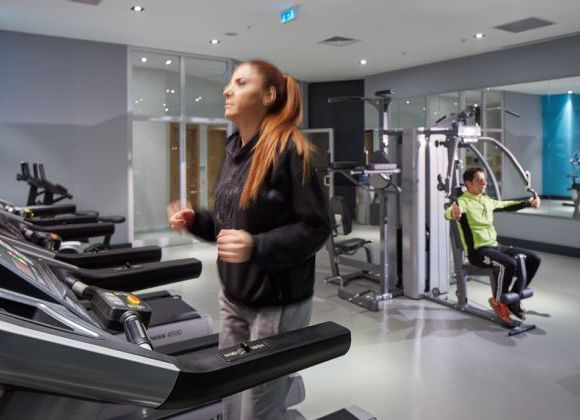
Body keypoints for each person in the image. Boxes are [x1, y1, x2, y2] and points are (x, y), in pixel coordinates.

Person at [168, 60, 330, 420]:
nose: (227, 90)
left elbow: (316, 227)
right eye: (230, 83)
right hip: (234, 297)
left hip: (275, 305)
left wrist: (256, 247)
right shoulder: (234, 150)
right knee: (230, 395)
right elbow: (230, 225)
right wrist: (197, 221)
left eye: (241, 83)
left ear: (268, 96)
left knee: (258, 409)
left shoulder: (290, 150)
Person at [445, 167, 541, 326]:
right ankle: (498, 302)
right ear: (468, 184)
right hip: (478, 252)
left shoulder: (486, 200)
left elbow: (506, 205)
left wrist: (529, 203)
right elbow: (448, 212)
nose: (484, 182)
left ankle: (513, 299)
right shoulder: (462, 202)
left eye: (484, 179)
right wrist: (453, 213)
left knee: (534, 259)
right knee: (508, 264)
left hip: (495, 246)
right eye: (479, 180)